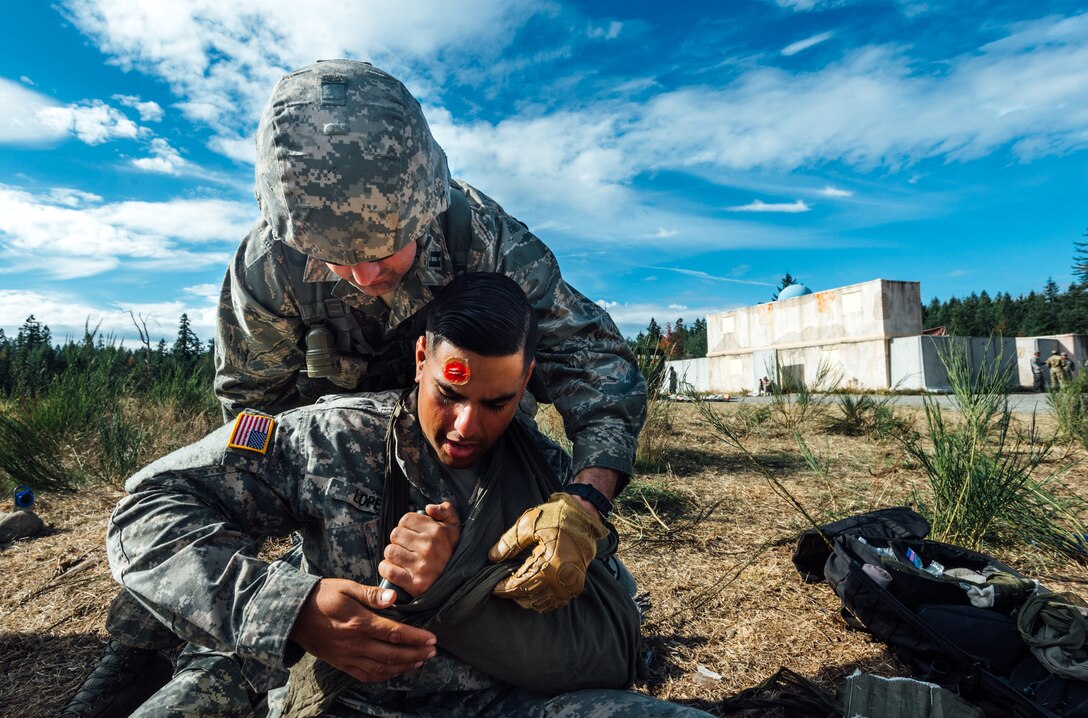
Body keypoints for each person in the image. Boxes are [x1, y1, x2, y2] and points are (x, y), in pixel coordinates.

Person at [64, 59, 646, 716]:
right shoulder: (269, 267)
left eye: (385, 247)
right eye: (336, 256)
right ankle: (165, 652)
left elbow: (601, 375)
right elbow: (250, 427)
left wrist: (583, 505)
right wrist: (281, 597)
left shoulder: (484, 241)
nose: (365, 274)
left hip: (480, 475)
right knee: (192, 615)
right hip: (338, 474)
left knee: (587, 619)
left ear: (424, 203)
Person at [106, 273, 709, 718]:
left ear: (527, 382)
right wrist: (291, 608)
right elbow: (146, 512)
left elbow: (605, 632)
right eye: (450, 394)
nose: (467, 426)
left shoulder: (550, 478)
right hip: (348, 706)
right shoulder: (333, 440)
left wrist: (473, 571)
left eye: (496, 403)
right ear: (422, 358)